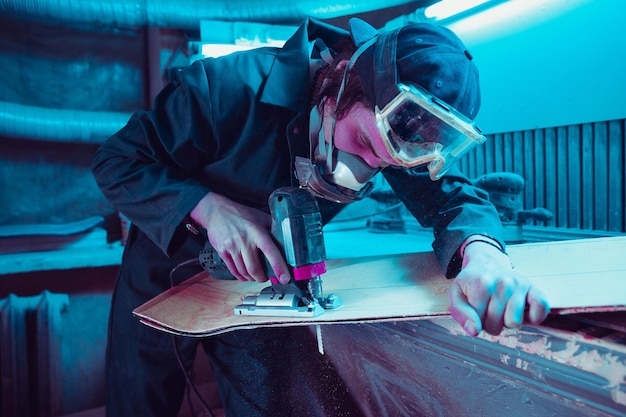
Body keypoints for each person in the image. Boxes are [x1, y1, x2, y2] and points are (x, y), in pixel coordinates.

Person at [92, 17, 550, 417]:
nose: (366, 170)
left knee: (268, 403)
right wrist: (211, 209)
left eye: (389, 165)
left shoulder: (393, 128)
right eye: (365, 146)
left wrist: (484, 258)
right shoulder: (226, 88)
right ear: (342, 83)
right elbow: (118, 161)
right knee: (140, 401)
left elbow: (453, 198)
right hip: (164, 269)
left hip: (266, 283)